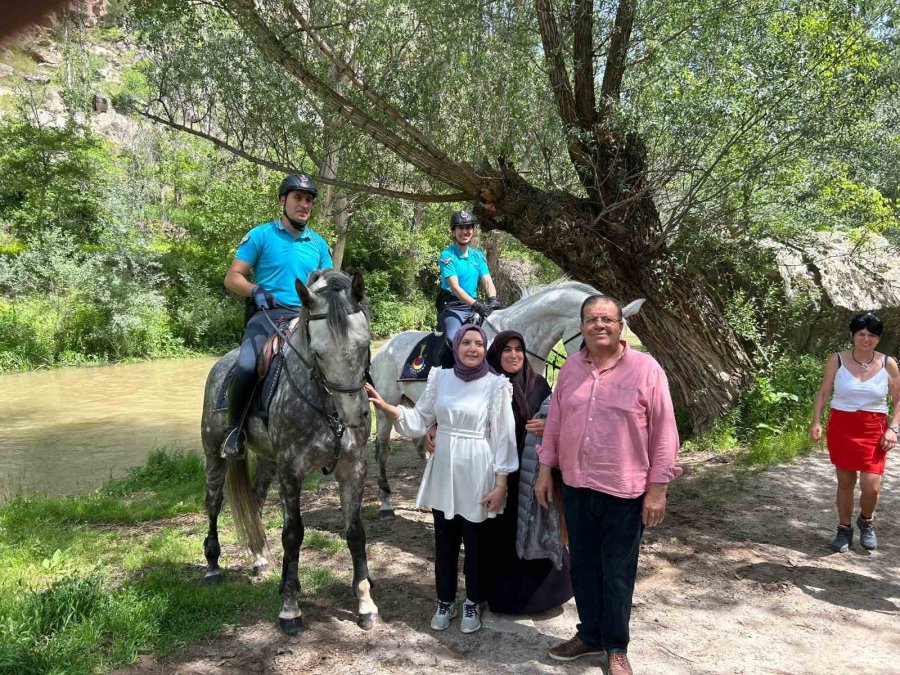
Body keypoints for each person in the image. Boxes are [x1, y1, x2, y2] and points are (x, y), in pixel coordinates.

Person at [534, 295, 680, 675]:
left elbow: (665, 432)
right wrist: (545, 469)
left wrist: (658, 488)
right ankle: (590, 635)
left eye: (607, 319)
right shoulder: (570, 369)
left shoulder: (646, 369)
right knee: (582, 565)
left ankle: (616, 646)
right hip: (577, 486)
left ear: (620, 326)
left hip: (625, 491)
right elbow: (555, 424)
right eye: (591, 319)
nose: (599, 325)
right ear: (581, 326)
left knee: (617, 571)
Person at [365, 325, 517, 634]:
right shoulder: (441, 377)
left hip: (477, 467)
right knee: (445, 540)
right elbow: (420, 418)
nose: (472, 348)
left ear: (484, 348)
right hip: (443, 467)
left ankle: (473, 600)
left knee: (475, 543)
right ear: (457, 346)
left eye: (478, 343)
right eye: (466, 343)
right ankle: (444, 599)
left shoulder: (496, 385)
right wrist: (388, 408)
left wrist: (501, 484)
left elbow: (504, 438)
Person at [220, 173, 333, 458]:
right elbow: (232, 277)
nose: (304, 205)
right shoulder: (261, 235)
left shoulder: (319, 244)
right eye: (298, 198)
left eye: (308, 200)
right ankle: (235, 431)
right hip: (267, 315)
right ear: (283, 200)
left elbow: (329, 284)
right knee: (247, 365)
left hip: (306, 317)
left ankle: (345, 424)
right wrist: (254, 290)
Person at [480, 331, 573, 613]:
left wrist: (549, 428)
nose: (513, 355)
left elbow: (559, 419)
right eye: (506, 350)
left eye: (518, 349)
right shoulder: (486, 386)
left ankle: (544, 597)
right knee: (499, 536)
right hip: (497, 476)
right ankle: (503, 598)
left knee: (535, 530)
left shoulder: (538, 385)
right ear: (496, 355)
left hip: (533, 476)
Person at [810, 312, 900, 552]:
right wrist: (816, 421)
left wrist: (893, 428)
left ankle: (866, 521)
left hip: (874, 427)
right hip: (842, 425)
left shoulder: (888, 363)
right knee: (846, 481)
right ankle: (844, 529)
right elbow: (823, 392)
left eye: (872, 335)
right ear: (852, 335)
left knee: (872, 486)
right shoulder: (836, 360)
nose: (866, 339)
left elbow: (899, 399)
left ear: (878, 338)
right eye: (861, 334)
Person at [436, 210, 502, 347]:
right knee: (452, 339)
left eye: (468, 227)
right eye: (461, 227)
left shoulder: (478, 256)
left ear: (473, 230)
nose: (465, 231)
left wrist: (493, 300)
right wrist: (477, 305)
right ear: (453, 231)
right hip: (453, 307)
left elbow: (487, 281)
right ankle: (441, 368)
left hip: (474, 307)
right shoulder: (447, 255)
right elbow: (455, 288)